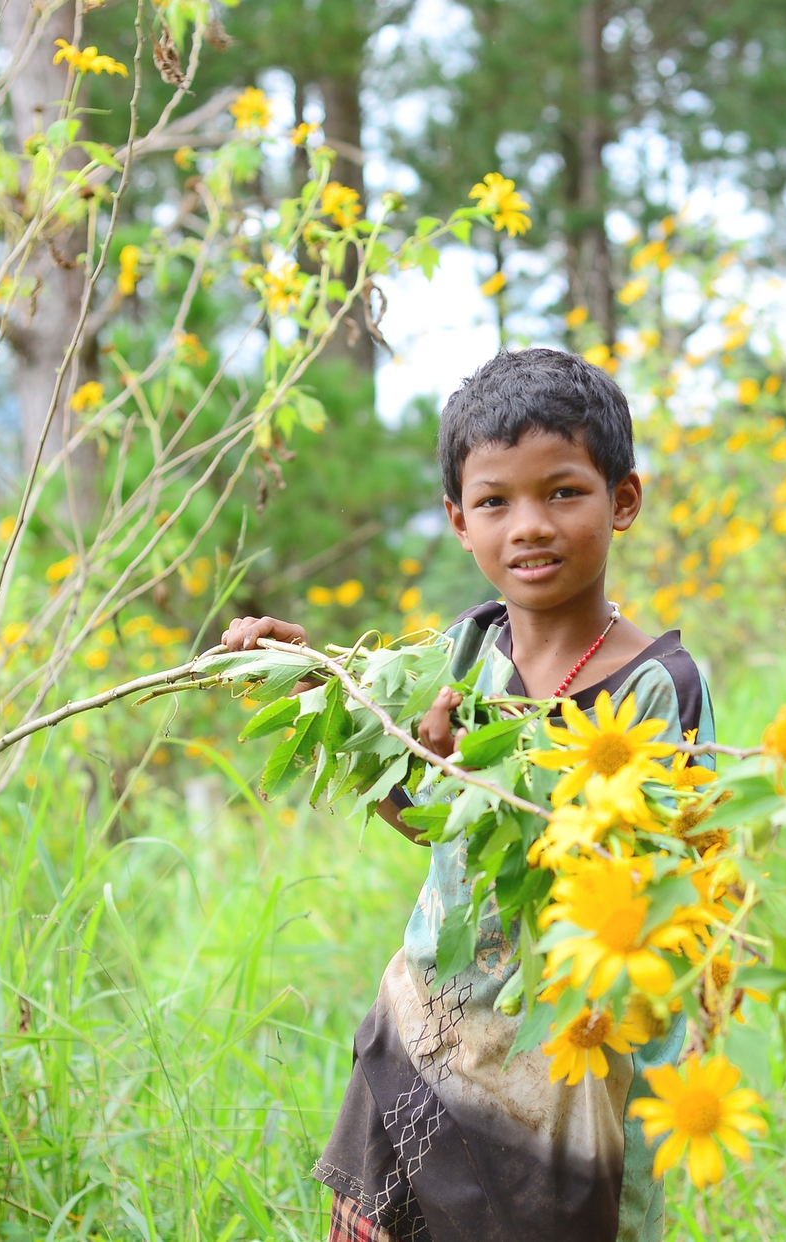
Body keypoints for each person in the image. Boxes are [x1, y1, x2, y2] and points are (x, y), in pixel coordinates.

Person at [221, 348, 714, 1242]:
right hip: (429, 1034)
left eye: (563, 492)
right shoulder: (461, 653)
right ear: (458, 520)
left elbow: (645, 893)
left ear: (624, 500)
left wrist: (481, 782)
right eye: (495, 502)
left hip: (562, 1070)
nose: (529, 525)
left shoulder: (657, 688)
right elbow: (424, 818)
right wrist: (322, 695)